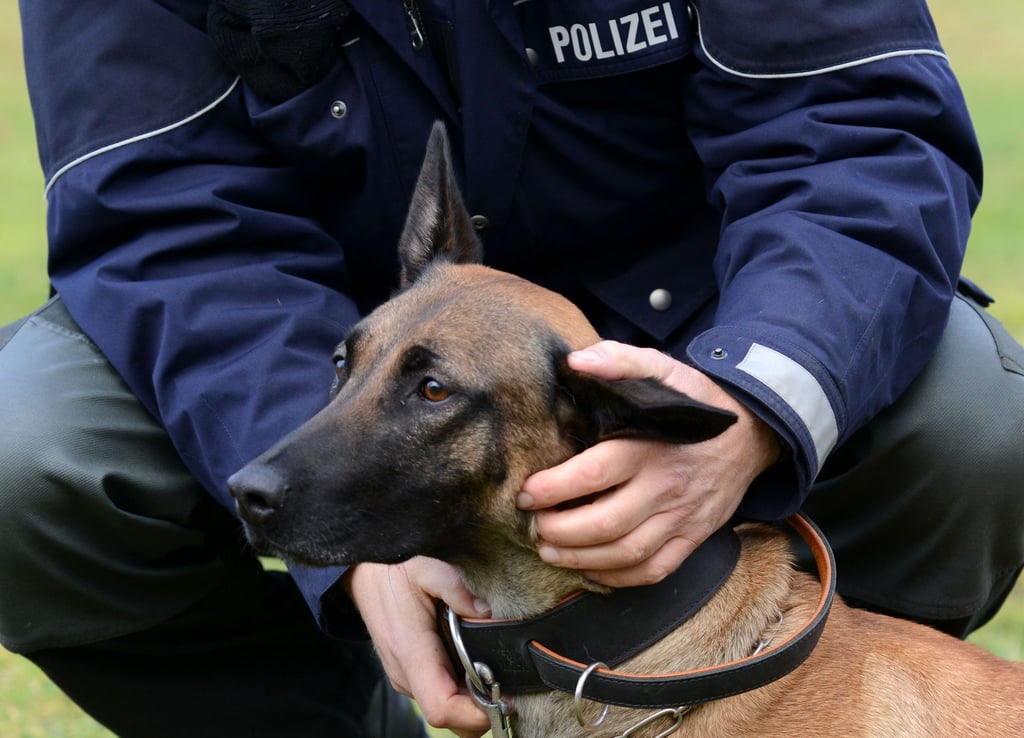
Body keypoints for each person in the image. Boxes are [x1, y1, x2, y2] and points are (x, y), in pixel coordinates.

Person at [2, 1, 1022, 736]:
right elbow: (167, 221)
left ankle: (797, 695)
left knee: (971, 419)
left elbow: (854, 127)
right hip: (331, 339)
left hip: (706, 317)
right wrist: (349, 543)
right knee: (22, 459)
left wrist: (757, 397)